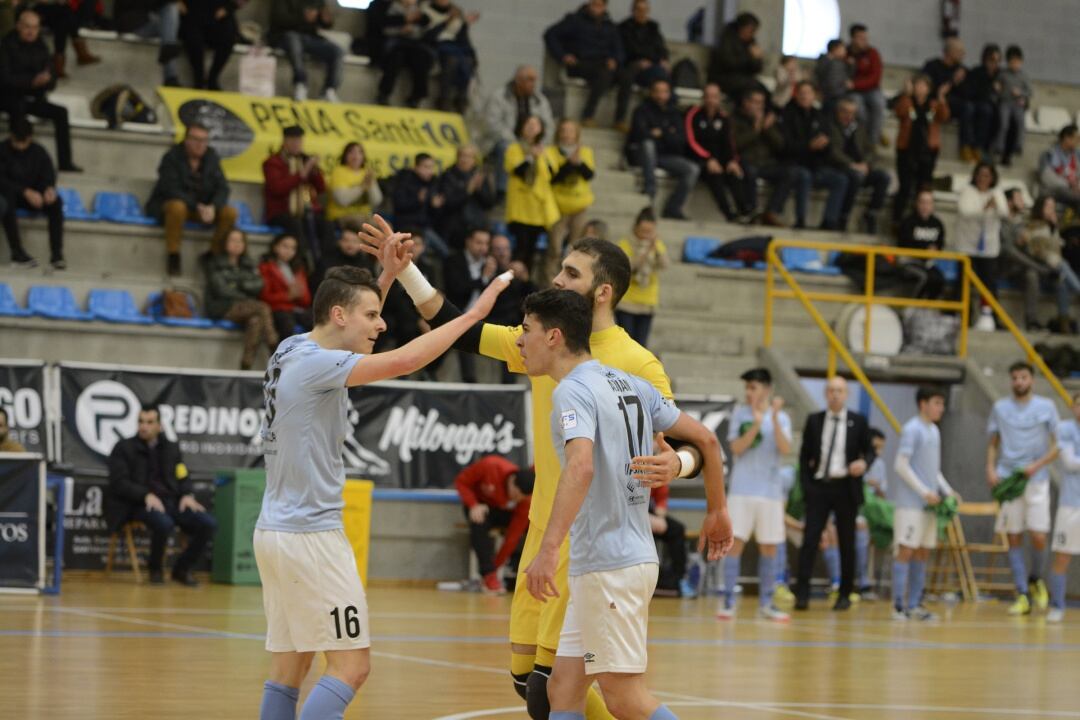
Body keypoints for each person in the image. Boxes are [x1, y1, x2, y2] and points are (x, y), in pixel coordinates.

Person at [358, 215, 705, 720]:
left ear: (602, 292)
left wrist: (678, 463)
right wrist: (405, 270)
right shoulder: (544, 341)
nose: (558, 280)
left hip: (586, 543)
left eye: (571, 274)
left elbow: (692, 446)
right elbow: (458, 326)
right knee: (529, 681)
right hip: (543, 529)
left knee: (558, 689)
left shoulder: (637, 362)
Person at [252, 253, 511, 720]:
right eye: (371, 315)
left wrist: (386, 279)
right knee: (352, 667)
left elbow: (355, 327)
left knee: (290, 666)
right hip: (311, 538)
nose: (382, 324)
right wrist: (471, 318)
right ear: (338, 315)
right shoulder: (318, 365)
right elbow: (406, 359)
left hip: (275, 533)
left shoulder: (291, 347)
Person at [519, 287, 733, 720]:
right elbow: (707, 440)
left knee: (623, 697)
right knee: (562, 687)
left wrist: (546, 549)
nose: (520, 341)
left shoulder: (572, 392)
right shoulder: (631, 385)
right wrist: (717, 510)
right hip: (612, 558)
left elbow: (580, 468)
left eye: (527, 330)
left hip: (610, 564)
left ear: (554, 336)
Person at [104, 405, 217, 586]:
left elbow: (182, 474)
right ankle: (155, 570)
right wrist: (145, 495)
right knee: (164, 523)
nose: (144, 426)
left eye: (149, 422)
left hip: (171, 502)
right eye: (141, 421)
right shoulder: (124, 448)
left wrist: (187, 494)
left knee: (208, 523)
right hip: (138, 504)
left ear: (160, 426)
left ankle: (181, 569)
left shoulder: (171, 448)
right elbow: (118, 482)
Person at [716, 367, 793, 623]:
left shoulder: (781, 418)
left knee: (770, 547)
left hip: (770, 491)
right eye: (747, 388)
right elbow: (736, 448)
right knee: (734, 544)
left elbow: (784, 448)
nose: (749, 392)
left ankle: (767, 603)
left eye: (754, 387)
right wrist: (756, 424)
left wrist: (771, 419)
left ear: (767, 389)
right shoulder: (740, 413)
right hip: (742, 489)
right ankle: (728, 600)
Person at [794, 376, 874, 611]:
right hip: (819, 487)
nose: (835, 394)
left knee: (847, 542)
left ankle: (845, 593)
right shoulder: (814, 420)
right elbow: (803, 455)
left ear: (846, 393)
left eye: (839, 390)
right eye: (831, 390)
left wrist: (864, 464)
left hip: (845, 487)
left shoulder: (858, 421)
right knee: (810, 540)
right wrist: (808, 486)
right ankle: (802, 593)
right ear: (825, 394)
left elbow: (869, 451)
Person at [988, 361, 1060, 616]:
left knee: (1038, 535)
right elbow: (993, 442)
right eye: (1015, 378)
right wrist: (990, 468)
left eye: (1024, 377)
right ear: (1011, 381)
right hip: (1009, 480)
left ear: (1032, 380)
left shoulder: (1046, 407)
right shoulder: (1000, 407)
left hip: (1037, 478)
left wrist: (1036, 465)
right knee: (1013, 536)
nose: (1020, 382)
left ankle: (1035, 577)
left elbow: (1057, 446)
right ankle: (1022, 593)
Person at [892, 387, 958, 621]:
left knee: (923, 552)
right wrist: (923, 492)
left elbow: (933, 469)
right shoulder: (912, 429)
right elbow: (901, 465)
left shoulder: (935, 431)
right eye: (937, 402)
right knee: (906, 551)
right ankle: (898, 605)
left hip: (930, 505)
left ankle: (916, 603)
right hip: (910, 504)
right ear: (923, 404)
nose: (940, 408)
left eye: (942, 403)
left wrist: (947, 491)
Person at [146, 122, 236, 277]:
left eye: (204, 140)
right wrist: (197, 206)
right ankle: (173, 254)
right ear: (186, 139)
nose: (200, 144)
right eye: (196, 139)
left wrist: (213, 207)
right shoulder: (171, 157)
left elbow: (223, 187)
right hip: (173, 207)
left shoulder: (212, 158)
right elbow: (169, 189)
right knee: (177, 207)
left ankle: (213, 255)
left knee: (230, 212)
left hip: (203, 209)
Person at [0, 9, 79, 172]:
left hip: (35, 98)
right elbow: (5, 78)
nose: (31, 31)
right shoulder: (6, 45)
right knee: (18, 107)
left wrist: (46, 81)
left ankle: (65, 162)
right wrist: (31, 82)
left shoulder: (41, 46)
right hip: (10, 98)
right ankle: (14, 164)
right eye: (27, 27)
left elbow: (52, 76)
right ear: (18, 26)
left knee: (61, 113)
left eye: (35, 27)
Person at [455, 455, 534, 594]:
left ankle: (510, 570)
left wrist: (497, 564)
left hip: (501, 511)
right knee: (479, 521)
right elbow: (461, 482)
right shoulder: (490, 465)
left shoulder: (524, 502)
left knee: (531, 524)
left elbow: (512, 537)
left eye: (520, 498)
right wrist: (473, 504)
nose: (516, 499)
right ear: (512, 481)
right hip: (478, 504)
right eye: (515, 496)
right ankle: (487, 573)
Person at [204, 229, 278, 370]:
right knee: (262, 307)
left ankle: (246, 365)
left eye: (240, 241)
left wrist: (238, 285)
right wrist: (244, 291)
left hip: (246, 307)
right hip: (222, 306)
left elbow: (259, 285)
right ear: (224, 243)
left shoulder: (248, 263)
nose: (237, 244)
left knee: (256, 321)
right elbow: (221, 290)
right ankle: (274, 346)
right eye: (233, 240)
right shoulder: (214, 263)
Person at [543, 0, 624, 127]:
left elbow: (619, 49)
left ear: (605, 7)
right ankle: (588, 115)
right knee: (604, 74)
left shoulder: (610, 26)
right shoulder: (575, 20)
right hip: (580, 64)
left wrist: (615, 59)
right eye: (594, 4)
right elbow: (551, 34)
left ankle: (620, 120)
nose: (597, 8)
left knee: (625, 75)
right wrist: (563, 55)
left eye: (600, 5)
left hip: (603, 65)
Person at [627, 79, 699, 220]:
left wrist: (661, 133)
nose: (660, 95)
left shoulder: (674, 113)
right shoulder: (642, 110)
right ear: (651, 93)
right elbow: (640, 135)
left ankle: (673, 207)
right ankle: (650, 191)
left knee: (692, 169)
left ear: (669, 93)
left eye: (664, 91)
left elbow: (680, 140)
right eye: (657, 91)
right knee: (648, 145)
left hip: (666, 156)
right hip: (642, 154)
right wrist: (667, 133)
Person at [781, 81, 849, 230]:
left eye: (808, 93)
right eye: (802, 93)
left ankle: (829, 222)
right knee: (804, 176)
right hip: (794, 165)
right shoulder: (788, 114)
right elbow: (785, 146)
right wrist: (808, 146)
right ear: (796, 95)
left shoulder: (819, 116)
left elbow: (828, 144)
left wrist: (824, 144)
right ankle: (801, 220)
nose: (805, 96)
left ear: (814, 96)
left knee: (840, 179)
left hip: (816, 165)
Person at [262, 125, 332, 265]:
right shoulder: (272, 162)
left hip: (306, 210)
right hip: (281, 212)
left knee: (326, 224)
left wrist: (315, 170)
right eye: (293, 140)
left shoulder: (305, 160)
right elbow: (278, 189)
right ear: (284, 141)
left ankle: (327, 265)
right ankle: (303, 265)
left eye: (299, 141)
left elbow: (321, 189)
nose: (296, 144)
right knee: (296, 225)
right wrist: (302, 174)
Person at [0, 117, 63, 269]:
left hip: (35, 197)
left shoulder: (38, 152)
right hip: (12, 195)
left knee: (56, 202)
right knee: (6, 200)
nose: (21, 146)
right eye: (17, 141)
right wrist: (24, 191)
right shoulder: (2, 150)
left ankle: (57, 255)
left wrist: (48, 188)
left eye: (24, 141)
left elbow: (48, 174)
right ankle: (17, 252)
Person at [483, 66, 555, 197]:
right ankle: (502, 190)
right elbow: (492, 125)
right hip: (502, 142)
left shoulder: (540, 100)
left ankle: (544, 192)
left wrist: (539, 143)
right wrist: (518, 144)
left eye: (535, 80)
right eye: (530, 80)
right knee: (507, 149)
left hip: (532, 142)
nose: (534, 84)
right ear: (518, 80)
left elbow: (549, 126)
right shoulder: (499, 97)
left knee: (548, 152)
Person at [732, 88, 799, 227]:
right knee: (750, 172)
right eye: (755, 102)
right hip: (746, 161)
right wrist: (755, 129)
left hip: (766, 163)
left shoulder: (768, 121)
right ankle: (752, 212)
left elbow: (780, 145)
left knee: (790, 172)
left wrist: (768, 129)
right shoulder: (735, 119)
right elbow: (736, 144)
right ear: (746, 102)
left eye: (761, 103)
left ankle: (771, 212)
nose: (758, 106)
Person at [686, 82, 750, 222]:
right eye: (708, 96)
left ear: (719, 98)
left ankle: (745, 211)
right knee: (715, 175)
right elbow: (691, 141)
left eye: (714, 96)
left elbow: (729, 143)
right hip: (699, 159)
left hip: (719, 159)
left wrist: (732, 161)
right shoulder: (693, 115)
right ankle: (728, 214)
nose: (711, 100)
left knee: (735, 172)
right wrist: (708, 158)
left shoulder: (724, 118)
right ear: (703, 97)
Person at [892, 74, 950, 223]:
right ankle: (897, 220)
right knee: (905, 186)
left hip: (928, 152)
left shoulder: (933, 105)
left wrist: (942, 97)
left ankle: (919, 220)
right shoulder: (908, 102)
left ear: (929, 88)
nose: (920, 88)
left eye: (923, 85)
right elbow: (899, 112)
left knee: (923, 188)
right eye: (917, 85)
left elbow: (944, 116)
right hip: (906, 150)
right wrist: (906, 94)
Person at [827, 98, 890, 234]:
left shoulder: (860, 128)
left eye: (852, 113)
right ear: (838, 112)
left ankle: (871, 213)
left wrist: (865, 164)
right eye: (845, 112)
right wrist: (852, 164)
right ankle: (844, 215)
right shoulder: (831, 127)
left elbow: (871, 150)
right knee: (855, 177)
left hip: (860, 168)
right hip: (840, 168)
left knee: (883, 177)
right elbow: (834, 152)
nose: (848, 116)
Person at [505, 115, 558, 274]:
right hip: (520, 208)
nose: (531, 127)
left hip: (538, 209)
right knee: (519, 248)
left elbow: (552, 173)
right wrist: (531, 157)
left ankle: (526, 283)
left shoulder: (547, 150)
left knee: (531, 251)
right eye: (528, 123)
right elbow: (517, 170)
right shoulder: (514, 148)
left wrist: (541, 156)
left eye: (535, 124)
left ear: (541, 129)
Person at [545, 119, 595, 285]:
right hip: (557, 207)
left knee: (577, 249)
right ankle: (551, 286)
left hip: (579, 206)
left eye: (570, 130)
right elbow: (552, 178)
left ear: (577, 134)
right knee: (555, 249)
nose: (567, 134)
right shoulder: (550, 152)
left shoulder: (585, 151)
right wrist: (569, 163)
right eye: (564, 130)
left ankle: (573, 285)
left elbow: (589, 175)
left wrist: (578, 163)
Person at [955, 162, 1007, 324]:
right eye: (980, 174)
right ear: (975, 175)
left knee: (990, 285)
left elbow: (1004, 213)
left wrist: (996, 205)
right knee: (963, 284)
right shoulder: (967, 191)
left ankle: (993, 317)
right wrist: (984, 208)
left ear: (992, 178)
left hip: (989, 247)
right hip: (967, 245)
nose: (983, 178)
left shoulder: (997, 192)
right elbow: (966, 211)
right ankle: (965, 317)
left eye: (987, 175)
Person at [443, 227, 495, 383]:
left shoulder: (491, 265)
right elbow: (457, 289)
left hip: (483, 317)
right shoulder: (453, 261)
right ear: (468, 242)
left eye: (486, 243)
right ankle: (470, 382)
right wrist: (483, 278)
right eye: (479, 242)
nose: (483, 248)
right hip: (456, 313)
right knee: (463, 331)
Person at [269, 0, 343, 102]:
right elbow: (278, 18)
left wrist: (326, 20)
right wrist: (303, 17)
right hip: (286, 35)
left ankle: (329, 89)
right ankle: (300, 83)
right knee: (293, 41)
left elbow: (325, 24)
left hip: (310, 37)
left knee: (336, 50)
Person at [1048, 391, 1080, 623]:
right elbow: (1069, 463)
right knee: (1062, 556)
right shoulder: (1066, 429)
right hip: (1071, 504)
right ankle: (1057, 605)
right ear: (1072, 406)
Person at [614, 0, 669, 132]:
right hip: (630, 65)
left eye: (645, 10)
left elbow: (661, 48)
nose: (642, 13)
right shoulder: (624, 27)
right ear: (633, 11)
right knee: (627, 79)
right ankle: (620, 119)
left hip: (651, 67)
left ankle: (665, 118)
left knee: (662, 79)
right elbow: (629, 50)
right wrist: (642, 60)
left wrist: (663, 59)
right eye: (639, 10)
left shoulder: (653, 27)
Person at [615, 206, 666, 348]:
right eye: (643, 231)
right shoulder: (624, 244)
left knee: (641, 346)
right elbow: (629, 267)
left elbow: (664, 265)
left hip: (647, 301)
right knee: (626, 344)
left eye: (650, 232)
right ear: (635, 227)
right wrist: (646, 252)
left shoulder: (656, 245)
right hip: (627, 301)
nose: (646, 235)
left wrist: (656, 249)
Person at [420, 0, 478, 112]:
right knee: (451, 59)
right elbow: (428, 35)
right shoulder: (426, 10)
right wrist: (447, 21)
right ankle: (444, 98)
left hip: (454, 46)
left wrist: (464, 25)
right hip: (435, 45)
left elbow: (462, 38)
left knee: (468, 61)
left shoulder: (456, 12)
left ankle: (461, 98)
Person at [435, 143, 495, 251]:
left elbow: (489, 203)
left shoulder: (479, 176)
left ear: (475, 159)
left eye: (469, 156)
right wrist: (467, 191)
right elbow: (448, 203)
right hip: (455, 228)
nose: (465, 159)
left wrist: (479, 190)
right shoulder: (448, 175)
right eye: (463, 156)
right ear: (457, 157)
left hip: (477, 226)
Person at [17, 1, 99, 77]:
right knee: (65, 15)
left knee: (65, 15)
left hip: (48, 7)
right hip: (30, 7)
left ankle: (59, 61)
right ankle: (71, 57)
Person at [376, 0, 434, 107]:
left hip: (414, 43)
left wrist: (413, 27)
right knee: (395, 58)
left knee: (421, 58)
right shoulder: (389, 6)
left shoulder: (419, 10)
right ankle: (384, 94)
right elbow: (382, 25)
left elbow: (425, 26)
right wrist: (402, 26)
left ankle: (417, 96)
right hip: (394, 41)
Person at [391, 153, 449, 258]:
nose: (430, 171)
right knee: (420, 253)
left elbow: (434, 215)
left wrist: (434, 206)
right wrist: (417, 200)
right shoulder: (404, 181)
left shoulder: (433, 183)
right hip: (406, 227)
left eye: (431, 167)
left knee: (445, 252)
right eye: (426, 167)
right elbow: (399, 205)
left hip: (425, 227)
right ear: (416, 167)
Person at [112, 0, 182, 86]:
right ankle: (170, 75)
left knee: (170, 12)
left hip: (147, 21)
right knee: (169, 15)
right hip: (133, 24)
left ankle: (168, 48)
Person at [259, 234, 313, 342]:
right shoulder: (265, 267)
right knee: (286, 323)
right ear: (275, 247)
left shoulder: (298, 269)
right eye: (285, 246)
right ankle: (283, 357)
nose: (289, 251)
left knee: (319, 321)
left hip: (296, 309)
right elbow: (264, 296)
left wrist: (300, 295)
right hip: (278, 309)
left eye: (293, 248)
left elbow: (307, 300)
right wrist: (287, 296)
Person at [897, 190, 947, 300]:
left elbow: (940, 244)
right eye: (922, 202)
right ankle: (914, 308)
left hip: (928, 263)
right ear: (917, 203)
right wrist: (924, 251)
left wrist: (935, 250)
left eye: (928, 203)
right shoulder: (908, 222)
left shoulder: (937, 224)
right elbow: (904, 245)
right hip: (910, 262)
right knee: (924, 277)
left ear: (933, 205)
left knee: (939, 279)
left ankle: (928, 308)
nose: (925, 206)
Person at [955, 43, 1001, 163]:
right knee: (970, 109)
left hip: (990, 107)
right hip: (974, 102)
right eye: (992, 60)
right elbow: (971, 91)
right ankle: (966, 146)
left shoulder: (1000, 76)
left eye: (997, 61)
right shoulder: (977, 72)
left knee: (988, 111)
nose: (994, 64)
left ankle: (979, 147)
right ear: (985, 59)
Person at [179, 0, 237, 91]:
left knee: (229, 35)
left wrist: (229, 7)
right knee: (193, 38)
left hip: (219, 15)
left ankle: (212, 79)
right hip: (191, 13)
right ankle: (199, 79)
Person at [326, 141, 383, 229]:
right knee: (363, 226)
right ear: (345, 155)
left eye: (359, 152)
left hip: (365, 216)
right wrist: (362, 187)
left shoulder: (366, 172)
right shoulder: (338, 172)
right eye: (351, 152)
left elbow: (376, 201)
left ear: (363, 156)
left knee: (386, 227)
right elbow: (342, 201)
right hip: (342, 216)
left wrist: (371, 185)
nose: (355, 156)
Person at [708, 11, 762, 102]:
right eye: (751, 30)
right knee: (751, 89)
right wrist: (750, 57)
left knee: (762, 91)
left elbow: (757, 68)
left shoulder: (751, 42)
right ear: (743, 28)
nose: (752, 34)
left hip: (743, 79)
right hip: (723, 78)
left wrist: (756, 59)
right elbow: (728, 63)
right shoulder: (727, 39)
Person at [848, 23, 886, 150]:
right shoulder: (846, 53)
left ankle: (872, 141)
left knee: (879, 104)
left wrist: (855, 84)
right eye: (860, 38)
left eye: (866, 38)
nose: (864, 41)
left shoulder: (872, 53)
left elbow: (875, 77)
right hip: (853, 92)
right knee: (860, 109)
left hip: (870, 89)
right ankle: (863, 139)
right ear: (853, 38)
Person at [993, 46, 1031, 167]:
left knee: (1021, 123)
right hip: (1005, 102)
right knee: (1004, 123)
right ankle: (999, 146)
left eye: (1017, 62)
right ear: (1008, 62)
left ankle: (1018, 145)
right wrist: (997, 89)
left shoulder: (1023, 76)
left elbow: (1030, 92)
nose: (1015, 64)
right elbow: (997, 86)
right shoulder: (1003, 74)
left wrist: (1021, 94)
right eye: (1012, 62)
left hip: (1017, 104)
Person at [648, 484, 688, 596]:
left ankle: (677, 580)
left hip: (646, 510)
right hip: (623, 513)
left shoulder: (655, 471)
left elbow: (661, 501)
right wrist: (644, 517)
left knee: (677, 530)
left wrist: (659, 517)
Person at [313, 222, 376, 291]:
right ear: (339, 242)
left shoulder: (366, 264)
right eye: (346, 240)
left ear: (361, 243)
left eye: (355, 241)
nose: (350, 245)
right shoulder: (326, 262)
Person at [1038, 124, 1080, 214]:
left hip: (1073, 190)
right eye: (1076, 138)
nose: (1078, 141)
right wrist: (1069, 186)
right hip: (1055, 191)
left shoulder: (1076, 155)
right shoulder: (1049, 154)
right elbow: (1047, 178)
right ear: (1066, 138)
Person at [814, 39, 850, 117]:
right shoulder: (832, 63)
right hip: (832, 96)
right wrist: (845, 86)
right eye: (843, 49)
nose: (845, 52)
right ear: (835, 49)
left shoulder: (835, 62)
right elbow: (831, 82)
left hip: (833, 95)